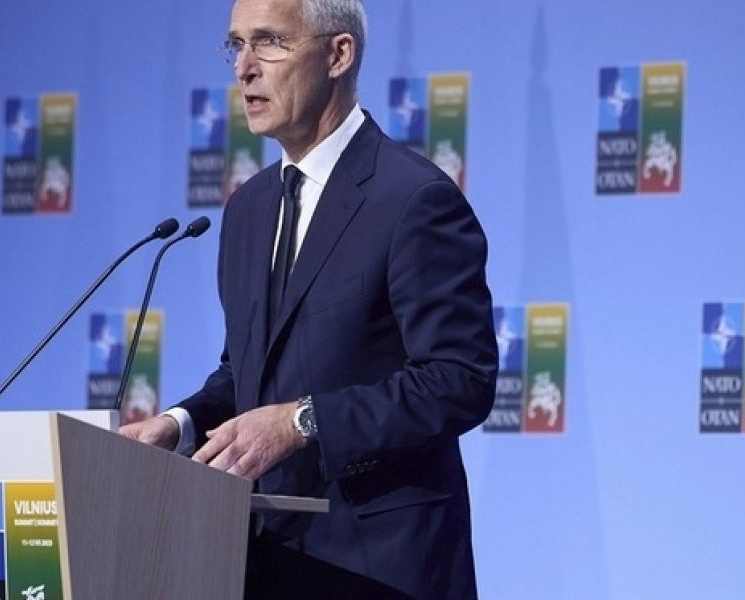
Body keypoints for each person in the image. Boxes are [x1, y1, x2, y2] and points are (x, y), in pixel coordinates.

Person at [119, 0, 497, 598]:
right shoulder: (247, 208)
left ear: (338, 55)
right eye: (236, 45)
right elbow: (246, 374)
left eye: (268, 42)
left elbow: (458, 380)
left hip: (381, 567)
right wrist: (180, 424)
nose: (244, 67)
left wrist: (303, 421)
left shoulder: (413, 199)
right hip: (261, 562)